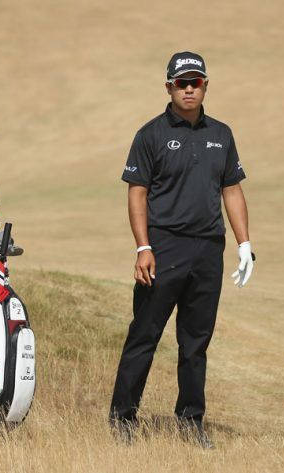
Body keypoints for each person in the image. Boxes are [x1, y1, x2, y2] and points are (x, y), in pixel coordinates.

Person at [109, 52, 254, 446]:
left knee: (196, 343)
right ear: (168, 86)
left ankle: (191, 422)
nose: (189, 89)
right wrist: (143, 247)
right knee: (145, 335)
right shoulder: (151, 134)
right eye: (181, 82)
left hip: (208, 249)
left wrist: (244, 244)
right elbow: (137, 193)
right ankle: (123, 419)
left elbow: (232, 189)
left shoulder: (221, 134)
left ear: (206, 85)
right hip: (164, 247)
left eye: (196, 82)